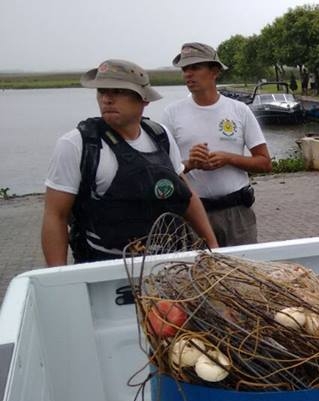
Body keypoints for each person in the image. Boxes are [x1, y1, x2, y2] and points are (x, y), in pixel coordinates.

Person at [41, 59, 218, 266]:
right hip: (102, 264)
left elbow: (186, 195)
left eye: (118, 91)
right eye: (102, 91)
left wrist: (213, 247)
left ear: (144, 99)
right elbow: (56, 216)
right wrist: (58, 276)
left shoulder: (160, 136)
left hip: (166, 261)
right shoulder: (77, 144)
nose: (107, 99)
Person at [160, 42, 272, 247]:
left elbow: (264, 163)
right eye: (185, 69)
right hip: (193, 216)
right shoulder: (172, 113)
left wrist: (228, 158)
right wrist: (190, 163)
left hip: (237, 214)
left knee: (242, 267)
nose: (188, 74)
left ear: (215, 71)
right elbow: (162, 171)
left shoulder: (239, 110)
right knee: (199, 269)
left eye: (195, 67)